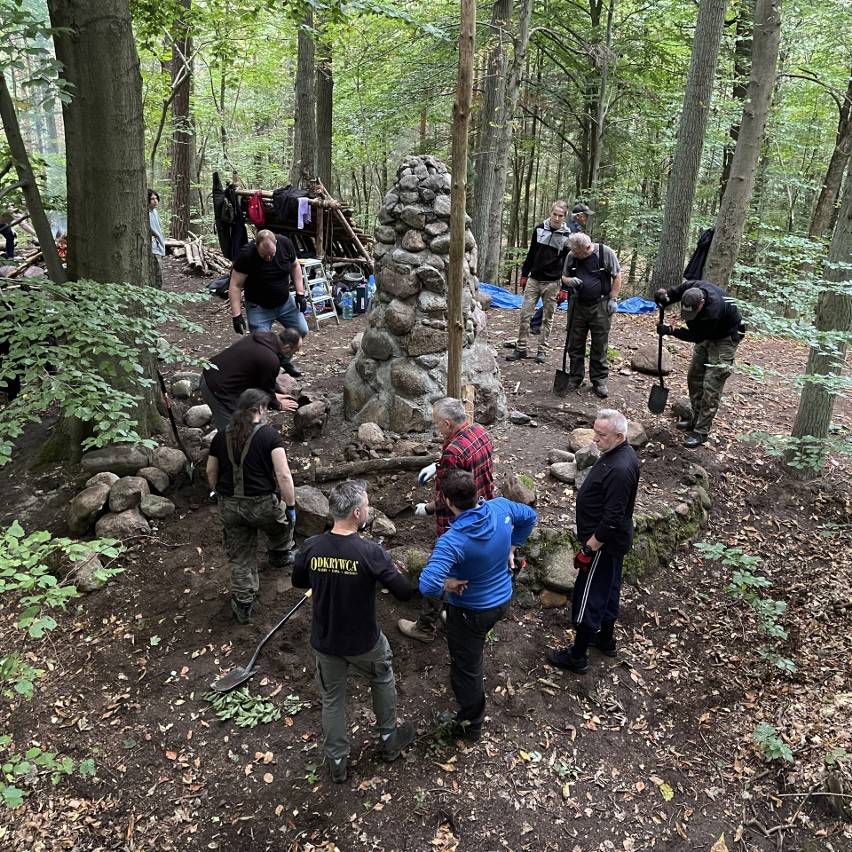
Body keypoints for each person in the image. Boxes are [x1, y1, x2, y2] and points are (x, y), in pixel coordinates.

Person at [292, 480, 416, 783]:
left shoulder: (311, 546)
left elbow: (299, 582)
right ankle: (389, 741)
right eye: (368, 504)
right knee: (381, 677)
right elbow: (403, 592)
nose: (370, 507)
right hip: (364, 641)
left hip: (327, 641)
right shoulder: (370, 552)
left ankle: (337, 761)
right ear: (358, 512)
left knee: (332, 699)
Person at [419, 470, 537, 740]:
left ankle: (471, 723)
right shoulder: (501, 507)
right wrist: (512, 547)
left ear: (447, 501)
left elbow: (427, 585)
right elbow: (530, 517)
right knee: (474, 642)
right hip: (502, 599)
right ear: (477, 493)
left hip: (471, 611)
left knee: (466, 668)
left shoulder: (452, 541)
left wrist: (448, 584)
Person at [545, 409, 639, 674]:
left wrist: (589, 548)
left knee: (589, 597)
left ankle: (577, 656)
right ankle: (606, 640)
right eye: (594, 432)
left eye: (601, 435)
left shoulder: (621, 468)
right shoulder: (619, 453)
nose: (594, 439)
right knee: (609, 590)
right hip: (613, 542)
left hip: (603, 544)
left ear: (619, 435)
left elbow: (612, 517)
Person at [399, 397, 495, 643]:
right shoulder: (479, 431)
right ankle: (455, 612)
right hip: (484, 508)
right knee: (469, 563)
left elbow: (449, 497)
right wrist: (439, 465)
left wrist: (428, 508)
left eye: (437, 423)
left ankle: (425, 626)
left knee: (442, 566)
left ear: (448, 422)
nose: (436, 427)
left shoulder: (453, 451)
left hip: (458, 518)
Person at [206, 389, 297, 624]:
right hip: (262, 505)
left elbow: (210, 472)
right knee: (281, 525)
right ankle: (279, 554)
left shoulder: (220, 436)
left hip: (229, 506)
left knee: (240, 556)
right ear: (261, 410)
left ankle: (243, 603)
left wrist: (219, 493)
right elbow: (283, 475)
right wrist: (291, 506)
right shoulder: (270, 436)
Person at [654, 280, 744, 448]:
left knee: (712, 384)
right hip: (705, 335)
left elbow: (697, 336)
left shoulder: (712, 310)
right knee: (694, 377)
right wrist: (662, 296)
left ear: (701, 303)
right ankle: (695, 420)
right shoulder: (690, 288)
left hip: (724, 339)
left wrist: (671, 330)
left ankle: (702, 432)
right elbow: (670, 294)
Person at [228, 229, 308, 376]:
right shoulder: (246, 255)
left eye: (272, 253)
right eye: (264, 255)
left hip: (285, 302)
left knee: (301, 330)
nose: (269, 257)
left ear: (276, 243)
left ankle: (284, 359)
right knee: (261, 346)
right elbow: (235, 285)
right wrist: (236, 315)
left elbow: (295, 266)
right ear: (256, 245)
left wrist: (300, 294)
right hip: (259, 307)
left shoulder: (285, 244)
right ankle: (268, 369)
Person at [506, 201, 571, 365]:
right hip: (534, 279)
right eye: (554, 214)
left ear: (565, 217)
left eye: (560, 215)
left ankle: (542, 350)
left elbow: (568, 263)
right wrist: (524, 274)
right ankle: (521, 348)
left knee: (548, 318)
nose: (556, 218)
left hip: (553, 282)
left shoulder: (568, 235)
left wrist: (564, 288)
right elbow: (532, 252)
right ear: (551, 212)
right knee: (525, 314)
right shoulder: (539, 228)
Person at [200, 327, 301, 432]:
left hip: (210, 373)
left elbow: (262, 378)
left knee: (250, 423)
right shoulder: (270, 359)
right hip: (216, 389)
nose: (293, 355)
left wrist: (275, 394)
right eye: (294, 351)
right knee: (233, 433)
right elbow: (265, 389)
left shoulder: (262, 337)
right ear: (287, 347)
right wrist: (278, 404)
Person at [560, 232, 622, 398]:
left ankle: (599, 380)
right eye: (573, 252)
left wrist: (613, 299)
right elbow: (564, 276)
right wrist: (568, 281)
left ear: (587, 248)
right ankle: (575, 376)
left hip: (600, 305)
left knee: (599, 344)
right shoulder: (571, 256)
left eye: (578, 253)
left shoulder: (604, 253)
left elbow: (617, 275)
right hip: (577, 305)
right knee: (575, 342)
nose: (576, 256)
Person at [530, 202, 594, 334]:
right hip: (561, 272)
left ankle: (571, 324)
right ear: (579, 216)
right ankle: (536, 322)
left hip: (566, 271)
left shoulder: (575, 228)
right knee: (558, 299)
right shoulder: (570, 230)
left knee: (566, 298)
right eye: (585, 216)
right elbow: (568, 255)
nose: (586, 219)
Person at [148, 189, 165, 289]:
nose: (155, 201)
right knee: (156, 275)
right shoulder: (146, 213)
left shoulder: (155, 212)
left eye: (156, 198)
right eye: (152, 199)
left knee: (158, 274)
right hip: (153, 248)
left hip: (159, 246)